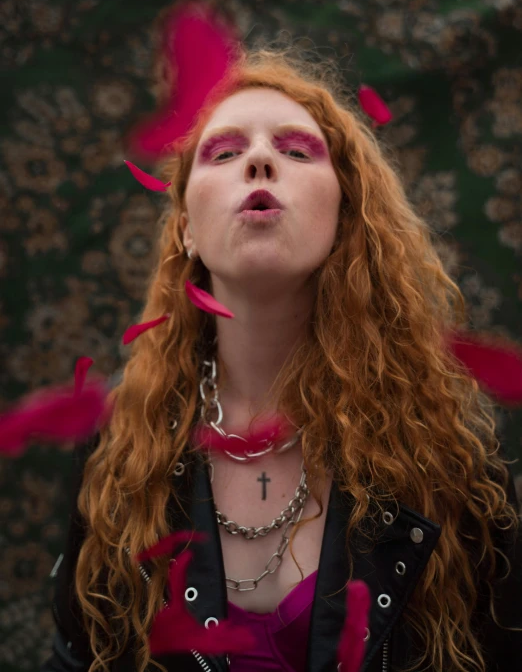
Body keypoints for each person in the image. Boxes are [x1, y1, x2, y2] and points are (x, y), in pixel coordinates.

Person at [41, 46, 522, 672]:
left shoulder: (446, 452)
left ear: (346, 213)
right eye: (223, 152)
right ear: (186, 225)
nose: (261, 159)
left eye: (296, 151)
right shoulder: (115, 441)